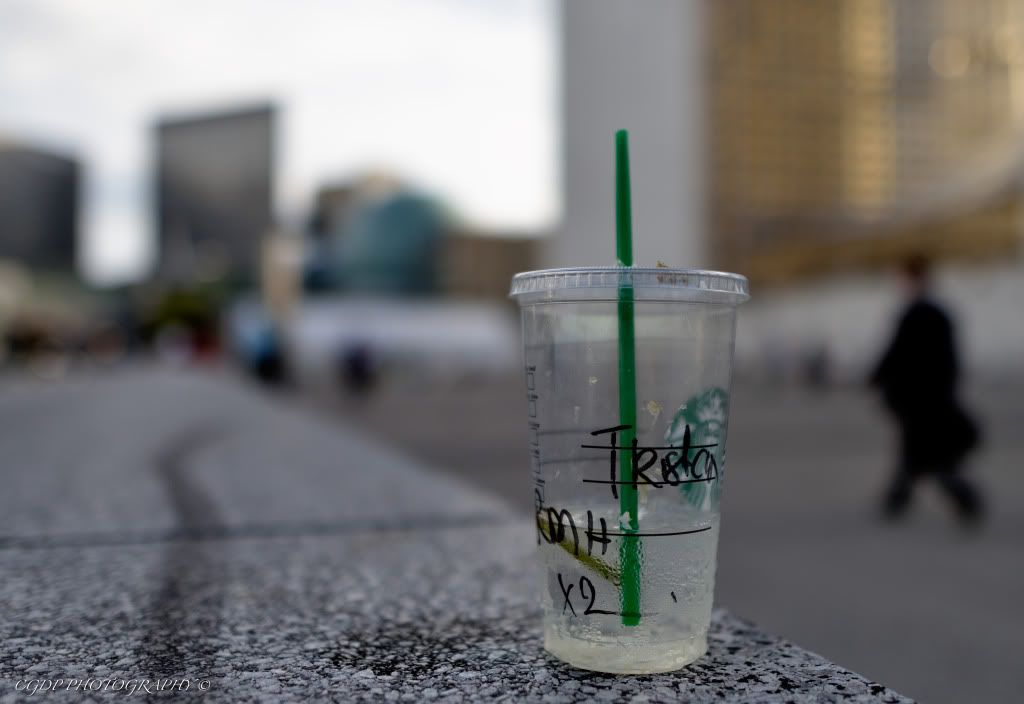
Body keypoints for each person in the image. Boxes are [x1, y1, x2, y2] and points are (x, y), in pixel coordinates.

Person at [869, 256, 983, 522]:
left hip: (921, 400)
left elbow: (898, 354)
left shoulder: (920, 314)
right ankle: (898, 501)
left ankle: (901, 502)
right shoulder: (933, 314)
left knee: (924, 457)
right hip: (929, 398)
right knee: (922, 456)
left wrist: (879, 377)